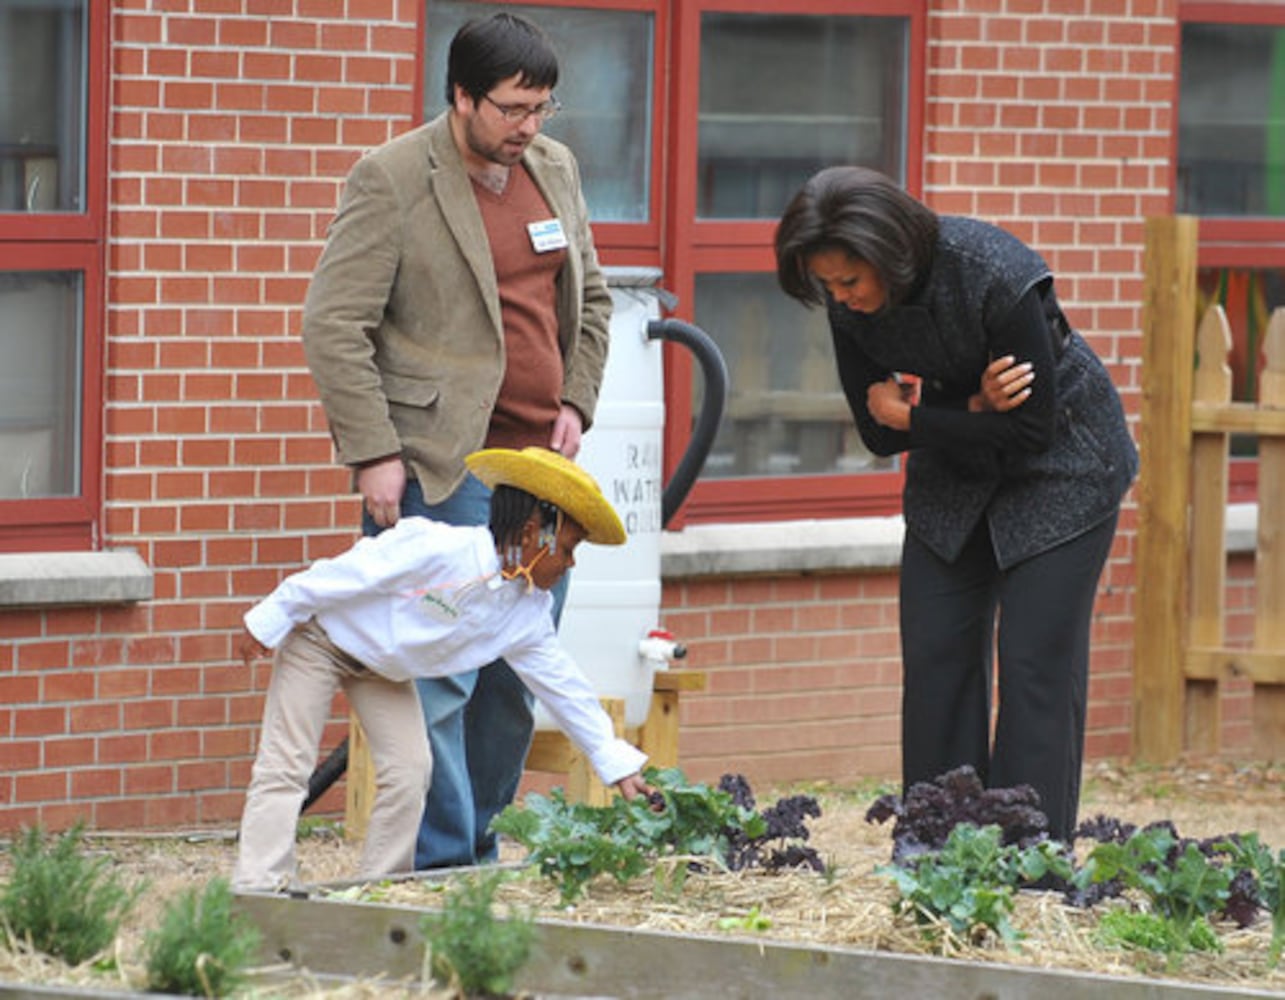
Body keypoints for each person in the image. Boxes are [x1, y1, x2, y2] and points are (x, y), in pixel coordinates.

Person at [300, 12, 611, 868]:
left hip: (538, 472)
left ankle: (479, 851)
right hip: (441, 465)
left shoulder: (555, 167)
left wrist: (575, 401)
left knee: (516, 671)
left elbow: (594, 302)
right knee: (439, 677)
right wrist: (372, 452)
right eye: (512, 109)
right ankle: (438, 868)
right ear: (462, 96)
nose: (529, 127)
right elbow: (334, 325)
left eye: (542, 108)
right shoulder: (392, 178)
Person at [774, 166, 1139, 842]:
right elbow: (876, 428)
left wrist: (922, 415)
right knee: (936, 653)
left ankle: (1027, 863)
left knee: (1034, 665)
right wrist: (965, 406)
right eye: (827, 286)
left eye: (850, 282)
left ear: (888, 254)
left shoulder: (995, 272)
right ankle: (940, 856)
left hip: (1064, 464)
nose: (841, 298)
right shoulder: (846, 299)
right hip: (951, 474)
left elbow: (1028, 429)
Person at [232, 447, 649, 892]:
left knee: (411, 770)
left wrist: (616, 763)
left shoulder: (525, 613)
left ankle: (374, 891)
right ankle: (259, 885)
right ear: (535, 533)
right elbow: (343, 575)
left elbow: (564, 689)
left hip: (383, 670)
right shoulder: (437, 547)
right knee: (287, 762)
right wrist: (269, 619)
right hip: (322, 638)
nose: (570, 563)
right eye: (567, 549)